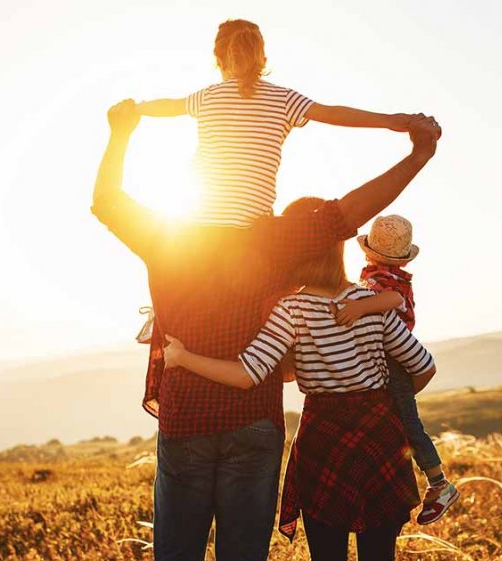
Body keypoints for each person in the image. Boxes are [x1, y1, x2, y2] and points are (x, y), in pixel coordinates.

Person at [91, 98, 440, 561]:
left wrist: (120, 132)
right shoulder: (278, 242)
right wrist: (417, 155)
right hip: (255, 420)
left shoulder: (167, 234)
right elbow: (349, 213)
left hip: (185, 418)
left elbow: (107, 201)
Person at [161, 197, 437, 560]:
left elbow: (248, 374)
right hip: (380, 436)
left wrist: (182, 357)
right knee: (379, 553)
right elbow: (424, 366)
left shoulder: (291, 309)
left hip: (324, 439)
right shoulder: (373, 302)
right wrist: (381, 404)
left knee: (327, 553)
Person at [135, 19, 417, 227]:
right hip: (252, 228)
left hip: (197, 224)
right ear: (262, 58)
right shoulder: (283, 99)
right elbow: (333, 113)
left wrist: (135, 108)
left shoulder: (207, 96)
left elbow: (168, 106)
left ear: (218, 60)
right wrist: (391, 121)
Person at [333, 214, 459, 524]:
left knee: (407, 423)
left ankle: (439, 483)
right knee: (394, 420)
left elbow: (392, 300)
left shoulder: (387, 282)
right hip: (387, 358)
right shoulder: (379, 275)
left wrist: (360, 307)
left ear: (368, 251)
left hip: (394, 359)